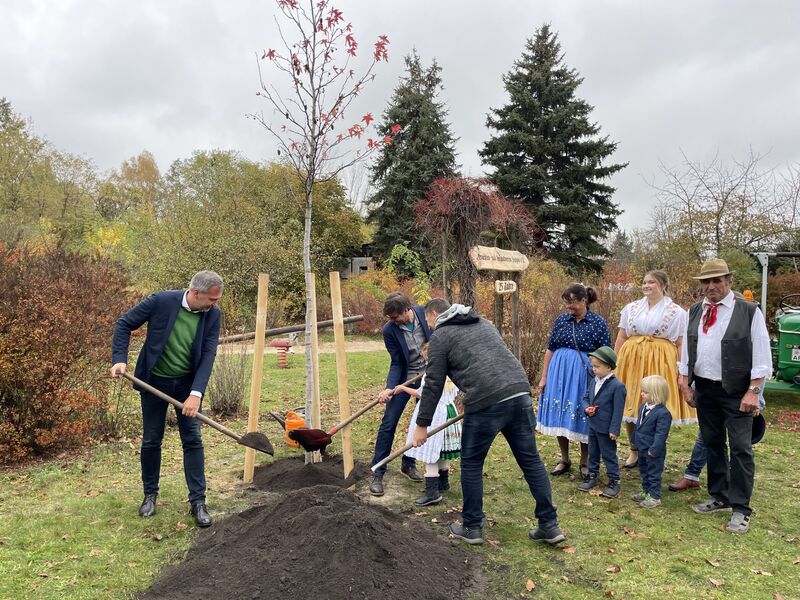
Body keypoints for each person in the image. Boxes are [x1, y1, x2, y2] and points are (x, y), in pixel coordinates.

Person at [412, 299, 565, 547]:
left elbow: (433, 383)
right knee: (531, 459)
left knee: (471, 463)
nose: (429, 326)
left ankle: (471, 527)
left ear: (433, 315)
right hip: (519, 391)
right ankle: (549, 524)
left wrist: (422, 425)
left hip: (486, 401)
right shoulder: (484, 323)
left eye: (428, 321)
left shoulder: (441, 336)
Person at [110, 270, 223, 527]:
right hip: (154, 381)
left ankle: (198, 502)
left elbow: (208, 354)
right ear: (196, 293)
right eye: (211, 300)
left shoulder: (212, 315)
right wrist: (119, 359)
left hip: (187, 384)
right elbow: (124, 323)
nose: (214, 305)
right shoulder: (161, 301)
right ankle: (150, 495)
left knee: (192, 439)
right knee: (151, 439)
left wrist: (196, 394)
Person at [678, 258, 772, 534]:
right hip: (705, 388)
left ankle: (741, 508)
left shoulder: (748, 311)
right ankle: (720, 495)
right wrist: (685, 383)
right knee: (712, 442)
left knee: (741, 448)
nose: (711, 286)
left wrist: (754, 391)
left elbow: (762, 355)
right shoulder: (695, 310)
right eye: (706, 282)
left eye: (717, 280)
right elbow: (686, 351)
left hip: (738, 391)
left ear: (729, 281)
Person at [614, 270, 691, 470]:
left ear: (663, 285)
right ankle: (634, 450)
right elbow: (622, 336)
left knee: (655, 405)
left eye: (652, 282)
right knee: (631, 401)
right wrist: (615, 361)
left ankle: (654, 450)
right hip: (632, 359)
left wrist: (682, 368)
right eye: (644, 282)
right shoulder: (631, 308)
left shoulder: (677, 312)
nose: (646, 286)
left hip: (660, 360)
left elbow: (681, 342)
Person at [537, 283, 611, 480]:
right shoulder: (562, 320)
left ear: (584, 300)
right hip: (559, 373)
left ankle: (585, 461)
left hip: (583, 375)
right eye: (566, 302)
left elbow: (605, 353)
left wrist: (602, 379)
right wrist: (544, 377)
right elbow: (550, 348)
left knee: (583, 412)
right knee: (561, 412)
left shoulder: (597, 322)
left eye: (573, 302)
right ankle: (565, 458)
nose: (569, 306)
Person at [369, 292, 431, 496]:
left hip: (430, 375)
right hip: (406, 377)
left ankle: (408, 463)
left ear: (407, 310)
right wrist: (390, 387)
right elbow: (396, 361)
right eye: (389, 318)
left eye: (395, 317)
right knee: (389, 422)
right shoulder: (390, 330)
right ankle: (378, 472)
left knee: (419, 422)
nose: (392, 321)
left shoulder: (425, 314)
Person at [396, 344, 462, 507]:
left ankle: (432, 493)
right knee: (440, 451)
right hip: (450, 411)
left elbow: (422, 393)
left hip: (435, 415)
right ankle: (443, 484)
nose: (426, 363)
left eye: (427, 360)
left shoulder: (432, 376)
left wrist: (403, 388)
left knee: (431, 452)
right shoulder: (452, 374)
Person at [579, 346, 626, 498]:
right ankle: (592, 475)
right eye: (593, 366)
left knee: (608, 454)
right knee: (593, 452)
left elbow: (618, 411)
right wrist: (587, 409)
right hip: (593, 425)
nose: (594, 369)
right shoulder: (594, 381)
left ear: (608, 367)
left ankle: (614, 480)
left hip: (606, 428)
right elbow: (586, 399)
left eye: (597, 367)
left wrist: (614, 430)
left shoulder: (617, 386)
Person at [630, 375, 672, 508]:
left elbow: (661, 434)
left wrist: (654, 449)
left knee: (653, 473)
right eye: (642, 390)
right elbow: (639, 425)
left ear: (657, 394)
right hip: (641, 447)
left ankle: (654, 496)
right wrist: (634, 441)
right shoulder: (643, 407)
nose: (642, 393)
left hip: (653, 450)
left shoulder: (663, 414)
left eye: (646, 392)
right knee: (644, 471)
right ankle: (646, 491)